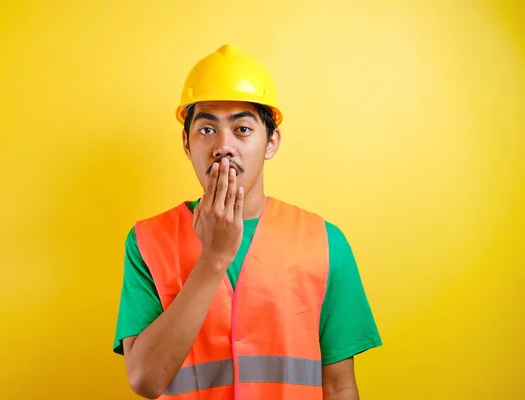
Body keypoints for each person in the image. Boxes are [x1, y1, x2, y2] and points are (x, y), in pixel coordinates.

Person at [113, 44, 382, 400]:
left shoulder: (324, 242)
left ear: (271, 141)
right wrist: (213, 259)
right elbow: (145, 380)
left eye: (242, 129)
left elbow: (338, 384)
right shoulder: (147, 241)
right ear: (186, 142)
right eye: (207, 130)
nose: (223, 146)